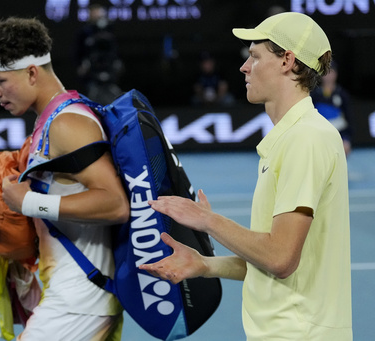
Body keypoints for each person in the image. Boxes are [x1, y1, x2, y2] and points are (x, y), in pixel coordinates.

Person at [140, 12, 352, 340]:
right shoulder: (292, 137)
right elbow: (268, 259)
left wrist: (206, 220)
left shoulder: (305, 138)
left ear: (288, 61)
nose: (244, 67)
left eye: (254, 56)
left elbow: (280, 258)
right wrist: (206, 265)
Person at [0, 17, 129, 341]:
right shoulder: (51, 122)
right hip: (74, 295)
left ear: (32, 72)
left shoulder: (68, 124)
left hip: (80, 301)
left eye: (0, 80)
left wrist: (29, 202)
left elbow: (115, 204)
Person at [75, 4, 122, 104]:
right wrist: (81, 65)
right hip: (92, 73)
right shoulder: (84, 33)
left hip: (109, 70)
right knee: (92, 97)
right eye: (94, 15)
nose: (97, 18)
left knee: (115, 97)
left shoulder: (110, 31)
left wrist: (117, 63)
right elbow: (77, 52)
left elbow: (115, 50)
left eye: (99, 16)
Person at [311, 61, 353, 156]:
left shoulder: (342, 95)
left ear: (336, 74)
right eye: (326, 72)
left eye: (331, 72)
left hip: (339, 135)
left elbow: (349, 120)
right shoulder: (314, 95)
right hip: (320, 135)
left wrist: (347, 139)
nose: (328, 75)